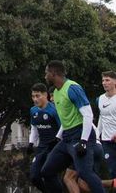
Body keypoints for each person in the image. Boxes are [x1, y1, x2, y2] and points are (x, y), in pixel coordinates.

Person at [40, 60, 104, 193]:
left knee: (85, 174)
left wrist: (83, 141)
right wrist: (57, 138)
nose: (45, 75)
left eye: (47, 73)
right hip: (67, 137)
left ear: (54, 73)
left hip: (80, 134)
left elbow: (88, 114)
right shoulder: (56, 92)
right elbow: (66, 119)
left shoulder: (72, 88)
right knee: (47, 171)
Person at [28, 83, 60, 191]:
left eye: (38, 96)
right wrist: (31, 143)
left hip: (54, 147)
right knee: (34, 176)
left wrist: (57, 140)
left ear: (45, 95)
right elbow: (34, 128)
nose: (35, 99)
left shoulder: (54, 110)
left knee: (48, 173)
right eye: (33, 96)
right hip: (41, 147)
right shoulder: (33, 110)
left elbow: (63, 127)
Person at [97, 71, 116, 178]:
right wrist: (96, 135)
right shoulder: (100, 99)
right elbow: (101, 117)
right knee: (110, 172)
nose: (104, 83)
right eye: (103, 80)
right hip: (107, 142)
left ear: (115, 82)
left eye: (107, 80)